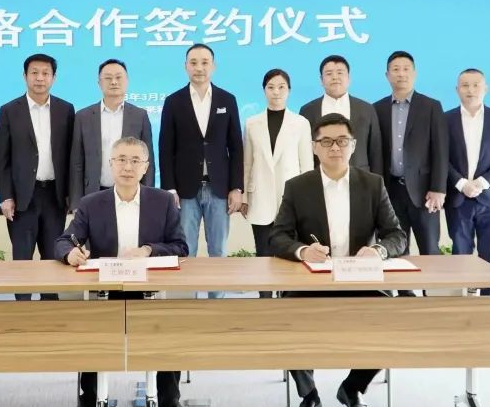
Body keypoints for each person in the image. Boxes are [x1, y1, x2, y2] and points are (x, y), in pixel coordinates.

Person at [270, 113, 407, 407]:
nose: (335, 147)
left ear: (353, 145)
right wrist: (303, 251)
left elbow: (396, 235)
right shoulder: (298, 187)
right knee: (284, 317)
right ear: (314, 147)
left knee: (395, 316)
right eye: (327, 141)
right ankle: (309, 396)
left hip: (359, 280)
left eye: (342, 141)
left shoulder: (372, 184)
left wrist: (378, 250)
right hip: (312, 281)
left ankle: (353, 388)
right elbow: (278, 236)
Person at [55, 137, 194, 407]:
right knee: (92, 330)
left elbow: (181, 246)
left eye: (134, 161)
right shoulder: (92, 203)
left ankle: (170, 400)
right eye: (121, 160)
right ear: (110, 164)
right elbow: (64, 240)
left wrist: (148, 250)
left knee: (168, 327)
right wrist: (71, 254)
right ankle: (89, 401)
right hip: (105, 291)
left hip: (150, 289)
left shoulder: (163, 201)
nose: (127, 167)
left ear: (145, 167)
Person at [158, 43, 243, 295]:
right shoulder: (174, 101)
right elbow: (165, 148)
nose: (199, 68)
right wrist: (169, 188)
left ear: (213, 66)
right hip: (185, 190)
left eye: (205, 62)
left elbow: (236, 147)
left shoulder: (227, 99)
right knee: (186, 251)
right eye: (193, 62)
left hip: (219, 188)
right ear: (185, 66)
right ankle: (189, 304)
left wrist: (236, 187)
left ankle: (217, 303)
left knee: (219, 251)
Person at [0, 53, 75, 300]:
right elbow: (2, 159)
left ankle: (50, 309)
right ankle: (23, 310)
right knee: (22, 258)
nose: (40, 78)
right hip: (22, 198)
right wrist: (6, 196)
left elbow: (71, 156)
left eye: (45, 73)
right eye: (34, 73)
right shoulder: (9, 110)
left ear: (54, 77)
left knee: (53, 256)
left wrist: (71, 195)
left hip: (54, 196)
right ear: (25, 76)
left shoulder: (66, 109)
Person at [241, 69, 313, 296]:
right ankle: (264, 301)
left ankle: (288, 302)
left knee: (289, 256)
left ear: (289, 90)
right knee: (263, 255)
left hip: (291, 200)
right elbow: (247, 163)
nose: (276, 92)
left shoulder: (300, 123)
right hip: (260, 198)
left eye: (281, 87)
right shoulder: (252, 123)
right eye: (271, 87)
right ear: (264, 90)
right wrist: (244, 197)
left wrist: (308, 201)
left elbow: (307, 166)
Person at [373, 51, 448, 262]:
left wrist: (438, 188)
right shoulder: (377, 108)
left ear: (414, 74)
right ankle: (402, 285)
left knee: (430, 250)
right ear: (387, 75)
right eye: (395, 69)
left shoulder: (431, 106)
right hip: (391, 192)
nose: (401, 74)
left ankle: (430, 285)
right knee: (396, 250)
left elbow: (441, 150)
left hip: (425, 193)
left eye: (406, 69)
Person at [444, 69, 490, 296]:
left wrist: (482, 182)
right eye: (465, 85)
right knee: (461, 257)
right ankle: (464, 306)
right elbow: (440, 157)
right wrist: (462, 183)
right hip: (458, 198)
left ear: (485, 89)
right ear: (457, 90)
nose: (470, 90)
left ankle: (489, 305)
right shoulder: (445, 120)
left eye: (476, 85)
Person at [69, 58, 154, 212]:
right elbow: (77, 162)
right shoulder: (83, 116)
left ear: (127, 81)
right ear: (99, 83)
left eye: (118, 77)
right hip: (94, 192)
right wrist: (76, 202)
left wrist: (148, 197)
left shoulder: (139, 116)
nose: (114, 82)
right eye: (108, 78)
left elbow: (148, 160)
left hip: (130, 193)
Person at [299, 55, 383, 175]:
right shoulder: (307, 111)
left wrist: (377, 182)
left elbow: (376, 151)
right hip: (319, 179)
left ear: (349, 78)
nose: (335, 77)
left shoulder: (366, 109)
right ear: (321, 80)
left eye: (340, 73)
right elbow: (304, 152)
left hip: (360, 178)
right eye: (329, 73)